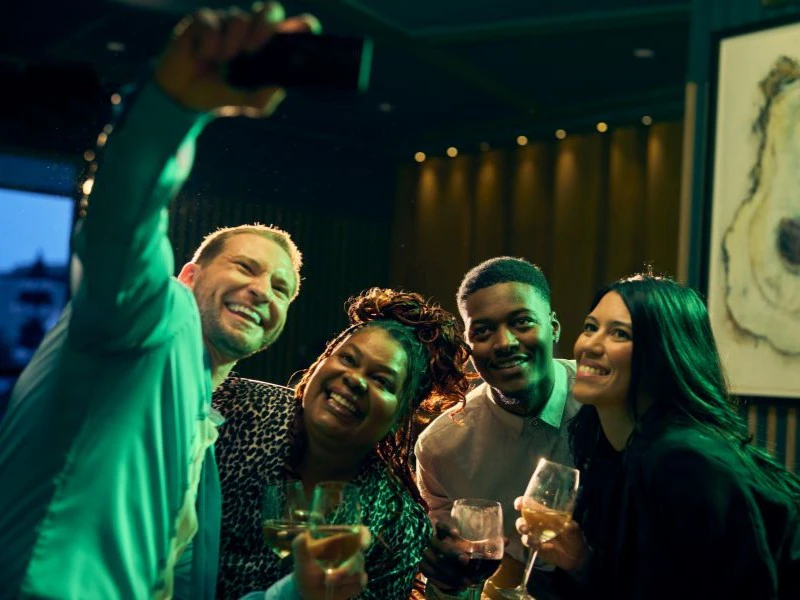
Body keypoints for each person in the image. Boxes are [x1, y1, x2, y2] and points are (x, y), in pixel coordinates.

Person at [0, 5, 313, 598]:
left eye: (281, 289)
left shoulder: (201, 418)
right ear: (189, 275)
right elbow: (121, 223)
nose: (262, 291)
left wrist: (299, 590)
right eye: (245, 267)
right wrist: (172, 106)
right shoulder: (157, 315)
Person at [516, 273, 800, 600]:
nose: (589, 345)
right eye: (591, 327)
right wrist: (581, 561)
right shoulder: (609, 447)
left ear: (664, 354)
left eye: (619, 334)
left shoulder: (685, 462)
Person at [211, 287, 472, 599]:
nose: (355, 379)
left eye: (381, 380)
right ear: (321, 362)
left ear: (401, 415)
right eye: (348, 359)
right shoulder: (237, 407)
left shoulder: (396, 524)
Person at [414, 257, 580, 598]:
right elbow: (447, 575)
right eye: (483, 331)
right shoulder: (441, 447)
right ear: (468, 346)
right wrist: (443, 570)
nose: (504, 343)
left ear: (554, 327)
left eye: (521, 322)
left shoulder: (608, 401)